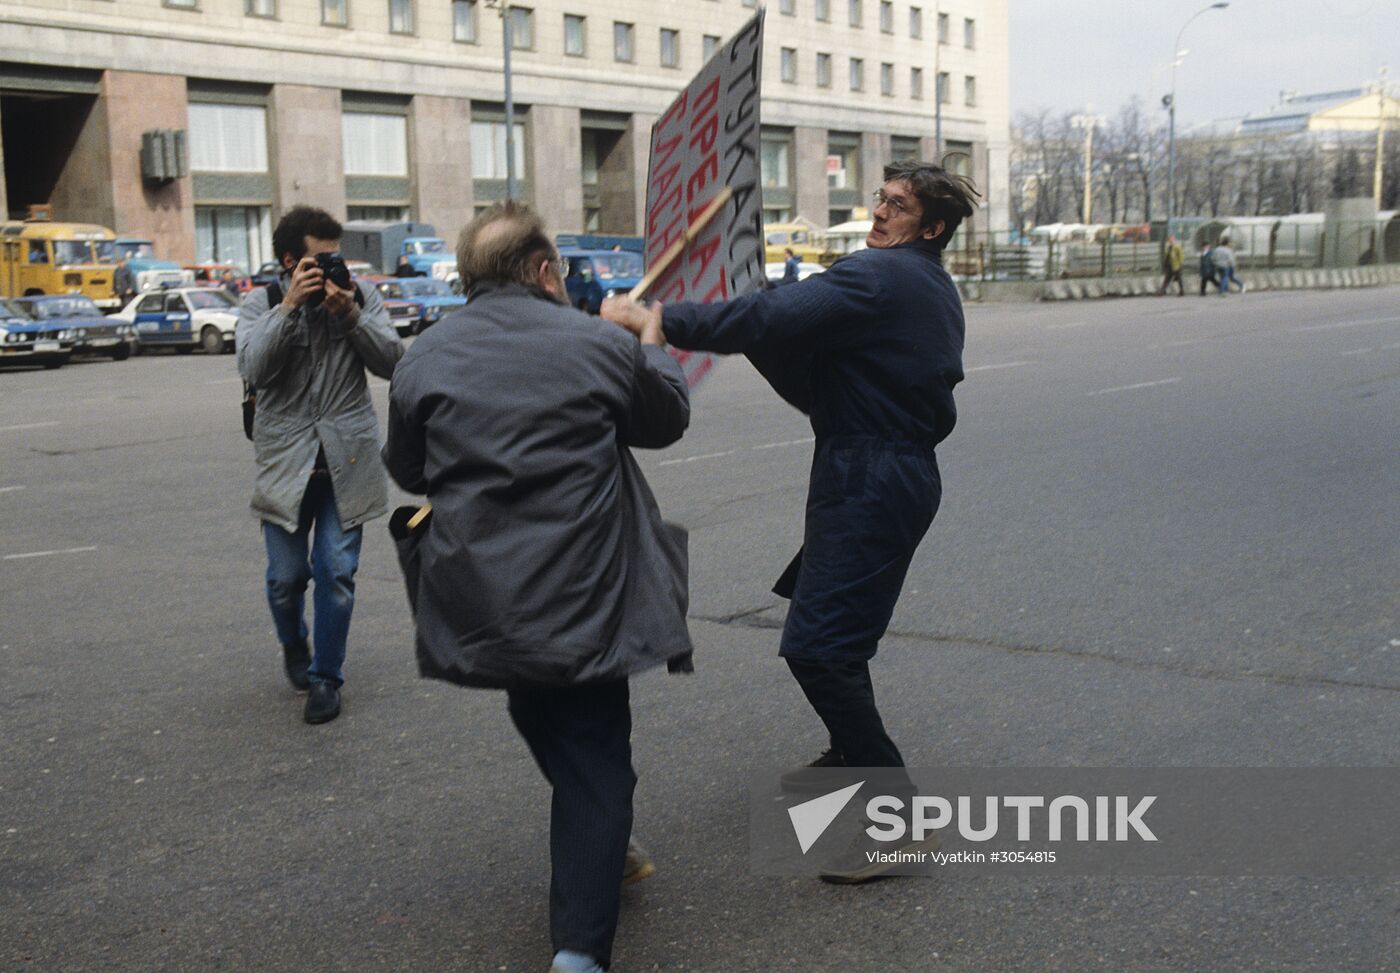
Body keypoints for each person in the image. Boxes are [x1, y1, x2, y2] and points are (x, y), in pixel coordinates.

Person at [602, 160, 976, 881]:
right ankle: (849, 745)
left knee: (821, 648)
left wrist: (661, 319)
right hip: (866, 466)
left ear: (930, 228)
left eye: (898, 206)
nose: (880, 211)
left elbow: (775, 318)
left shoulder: (884, 275)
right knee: (826, 624)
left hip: (874, 473)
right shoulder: (915, 282)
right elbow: (807, 369)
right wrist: (750, 325)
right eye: (882, 198)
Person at [382, 202, 692, 973]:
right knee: (596, 761)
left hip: (481, 594)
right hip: (582, 593)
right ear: (546, 270)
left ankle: (603, 842)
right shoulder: (595, 342)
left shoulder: (424, 356)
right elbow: (665, 418)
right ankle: (579, 951)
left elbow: (410, 469)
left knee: (543, 710)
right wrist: (648, 340)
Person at [236, 206, 403, 724]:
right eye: (320, 257)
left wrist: (349, 314)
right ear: (289, 261)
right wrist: (288, 307)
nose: (333, 266)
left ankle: (326, 677)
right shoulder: (258, 303)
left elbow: (394, 362)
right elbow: (254, 368)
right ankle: (294, 642)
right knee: (286, 579)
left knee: (335, 572)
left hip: (345, 460)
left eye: (337, 254)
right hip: (286, 464)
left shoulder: (360, 296)